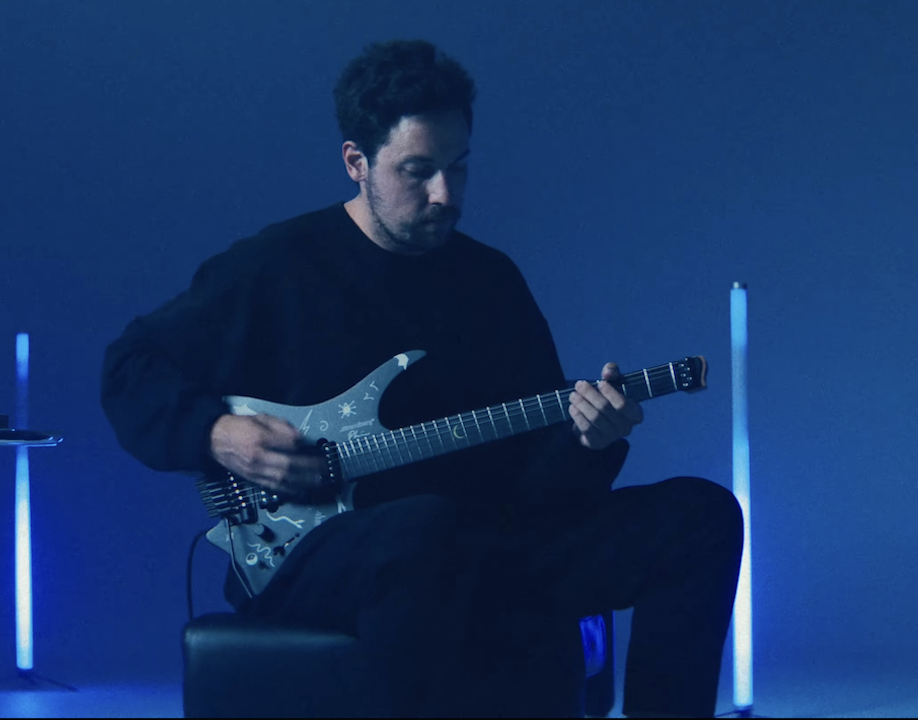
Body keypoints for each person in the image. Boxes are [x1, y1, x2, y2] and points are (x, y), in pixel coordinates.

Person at [101, 39, 743, 718]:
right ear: (356, 162)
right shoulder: (275, 267)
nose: (445, 194)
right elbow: (130, 367)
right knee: (425, 530)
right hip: (315, 553)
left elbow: (539, 491)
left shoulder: (490, 281)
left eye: (458, 168)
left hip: (478, 543)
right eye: (418, 171)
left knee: (700, 516)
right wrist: (219, 434)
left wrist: (589, 441)